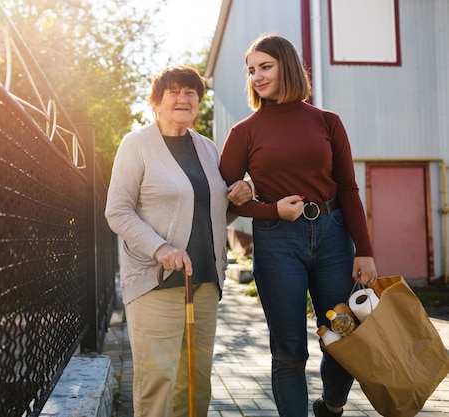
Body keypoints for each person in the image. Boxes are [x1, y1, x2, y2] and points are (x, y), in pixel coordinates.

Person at [219, 34, 378, 417]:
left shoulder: (328, 122)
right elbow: (223, 201)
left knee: (343, 338)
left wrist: (366, 250)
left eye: (265, 67)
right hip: (277, 245)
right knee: (289, 350)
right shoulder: (244, 132)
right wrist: (270, 209)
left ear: (287, 66)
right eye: (251, 70)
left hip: (334, 238)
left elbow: (348, 188)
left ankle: (332, 406)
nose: (256, 76)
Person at [105, 65, 252, 417]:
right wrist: (161, 247)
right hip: (156, 283)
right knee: (158, 383)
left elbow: (212, 211)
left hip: (203, 283)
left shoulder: (207, 148)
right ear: (156, 101)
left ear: (199, 101)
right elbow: (118, 211)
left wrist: (245, 192)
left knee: (197, 384)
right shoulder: (136, 145)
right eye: (173, 91)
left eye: (191, 92)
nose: (183, 98)